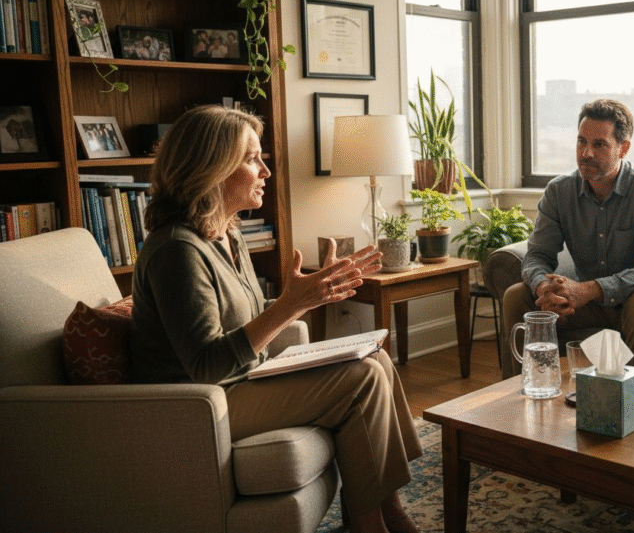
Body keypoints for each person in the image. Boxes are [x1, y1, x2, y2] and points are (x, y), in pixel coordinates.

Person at [129, 105, 422, 533]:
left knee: (375, 360)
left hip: (241, 381)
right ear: (212, 167)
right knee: (360, 379)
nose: (265, 170)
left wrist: (303, 298)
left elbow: (244, 327)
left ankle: (388, 508)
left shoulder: (226, 232)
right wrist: (291, 305)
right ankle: (367, 523)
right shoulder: (177, 250)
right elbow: (206, 366)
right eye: (252, 158)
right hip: (196, 405)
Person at [503, 99, 634, 372]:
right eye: (581, 141)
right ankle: (527, 390)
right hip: (592, 303)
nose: (585, 153)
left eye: (599, 144)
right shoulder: (559, 191)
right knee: (517, 296)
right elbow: (537, 255)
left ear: (623, 148)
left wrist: (587, 290)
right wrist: (545, 289)